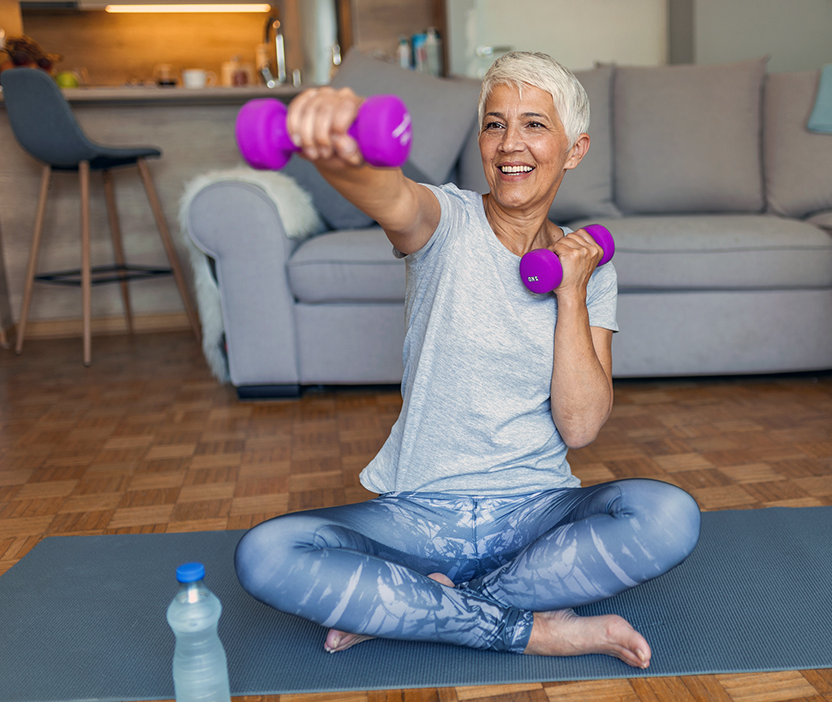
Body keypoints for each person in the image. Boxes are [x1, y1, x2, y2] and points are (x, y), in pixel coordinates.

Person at [234, 51, 701, 669]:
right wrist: (333, 147)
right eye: (494, 123)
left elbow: (581, 427)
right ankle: (528, 630)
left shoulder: (589, 266)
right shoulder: (445, 220)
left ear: (575, 148)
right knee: (266, 552)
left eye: (535, 124)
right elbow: (388, 191)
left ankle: (417, 609)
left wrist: (571, 292)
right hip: (417, 516)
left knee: (669, 515)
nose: (511, 143)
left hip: (535, 517)